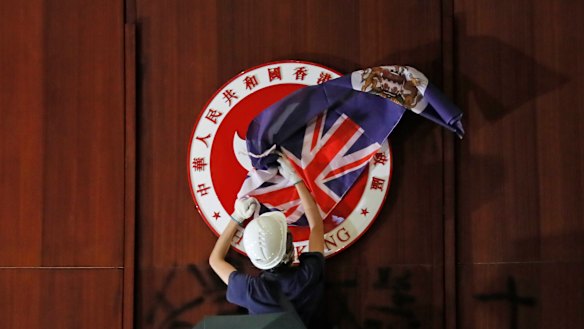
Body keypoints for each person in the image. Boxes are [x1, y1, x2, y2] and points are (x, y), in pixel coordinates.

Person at [209, 154, 326, 328]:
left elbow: (215, 260)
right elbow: (316, 224)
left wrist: (237, 217)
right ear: (291, 250)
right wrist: (296, 179)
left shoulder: (251, 291)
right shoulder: (307, 276)